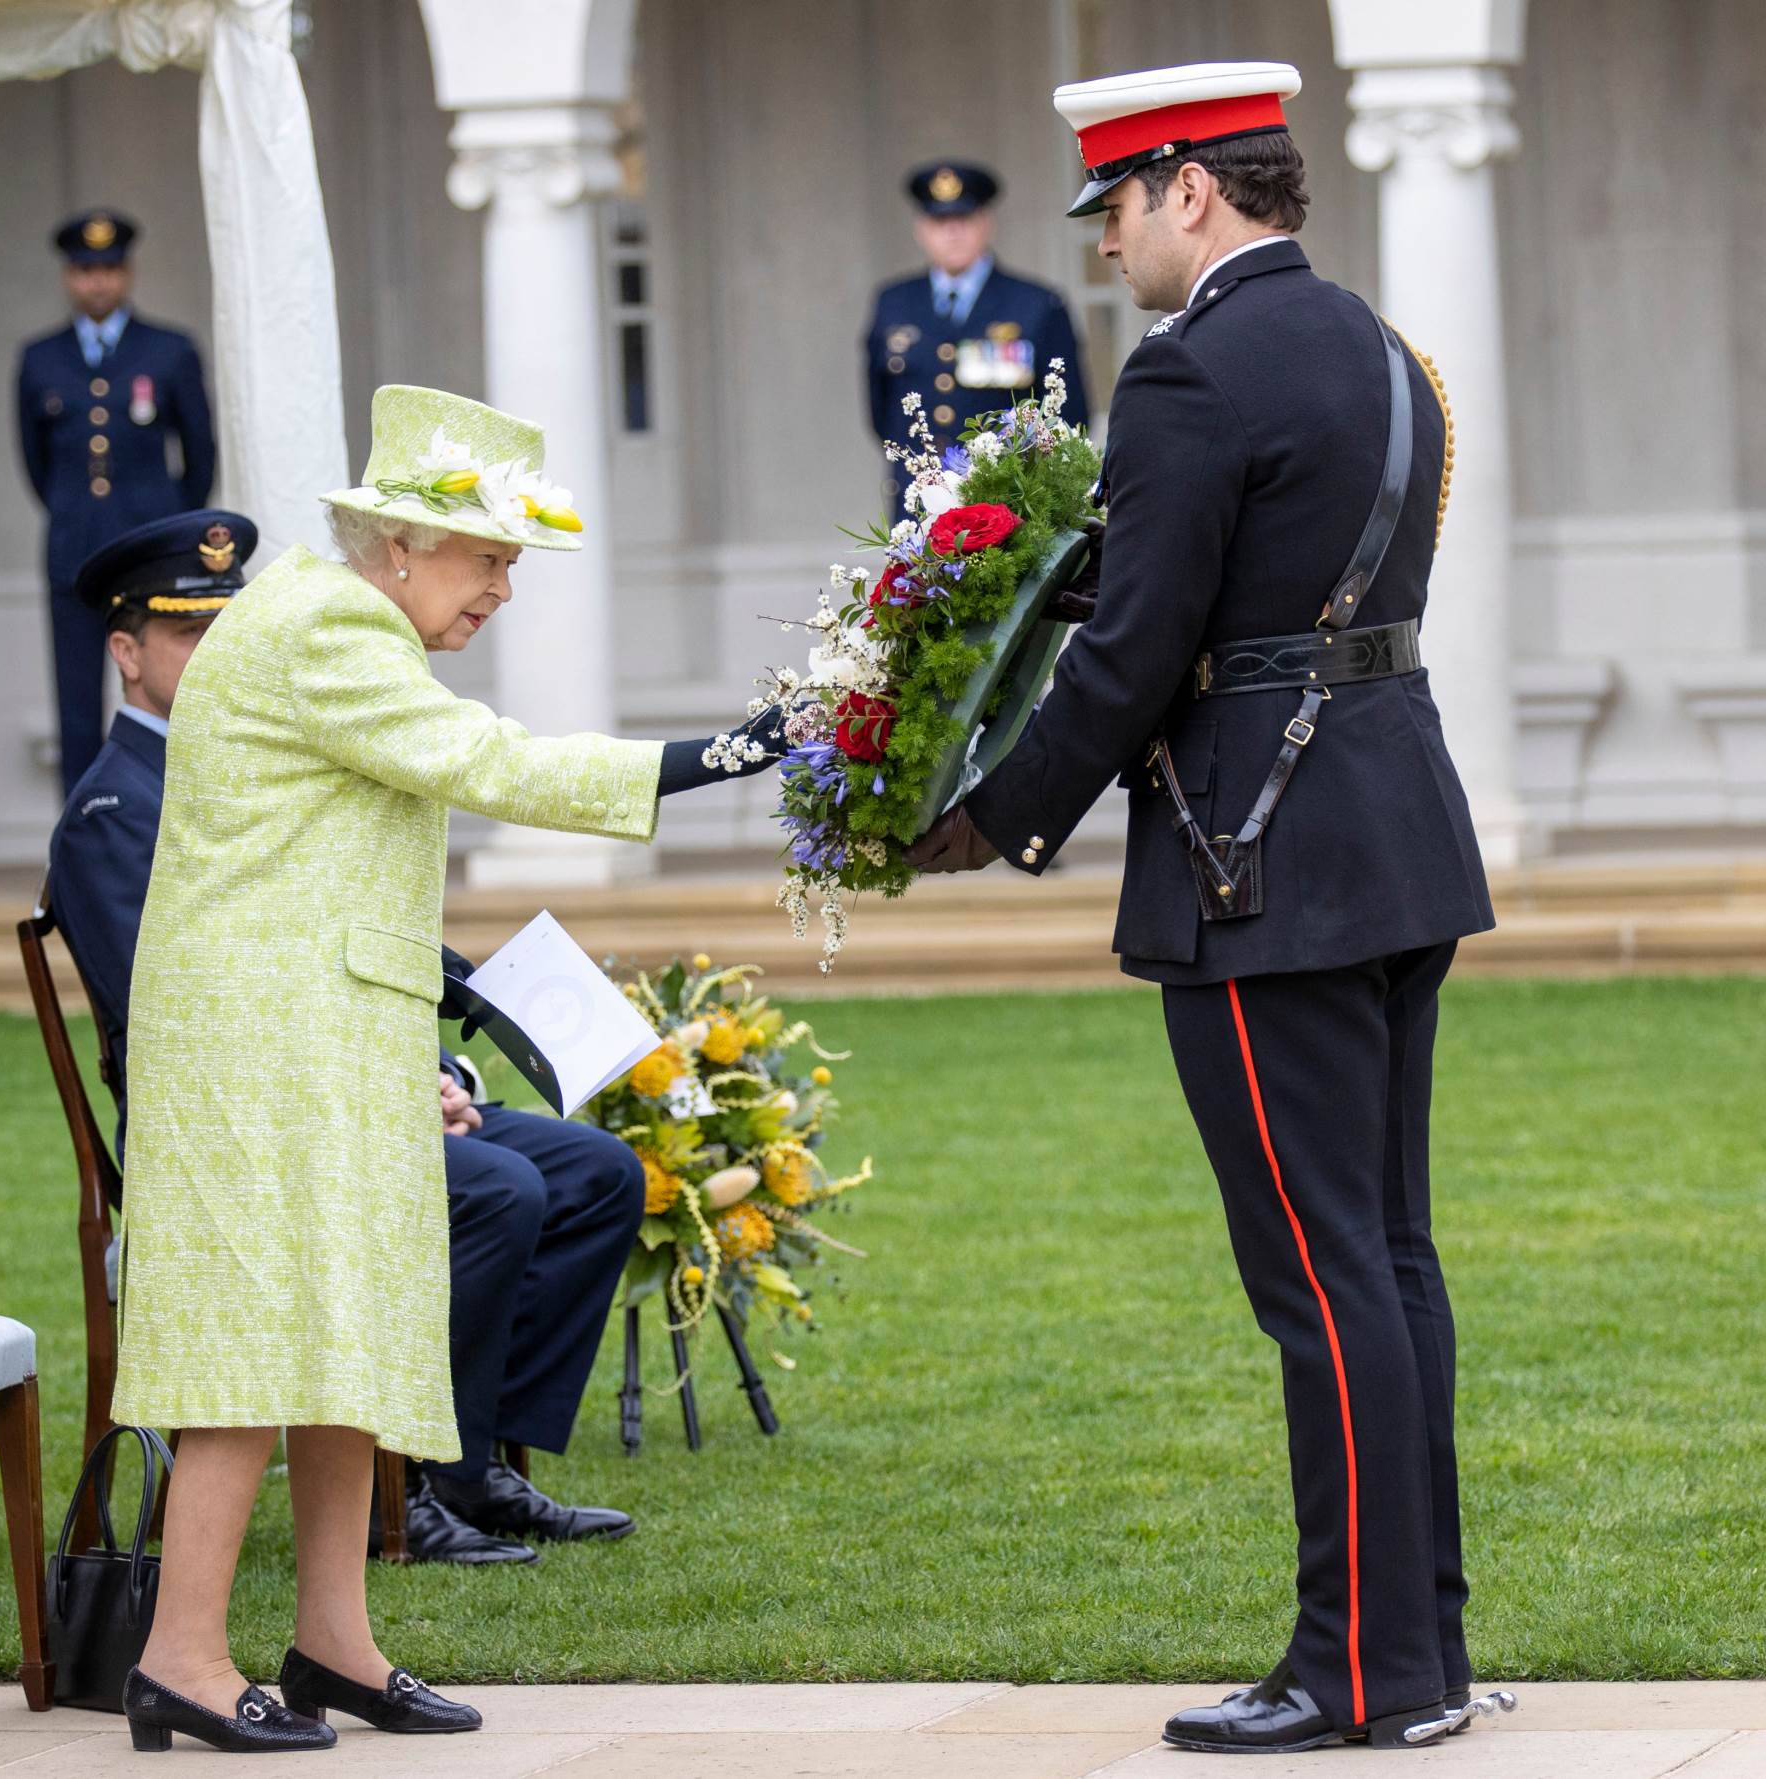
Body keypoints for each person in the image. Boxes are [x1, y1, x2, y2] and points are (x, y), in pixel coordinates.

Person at [908, 64, 1514, 1754]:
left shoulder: (1187, 374)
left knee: (1320, 1280)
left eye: (1114, 205)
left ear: (1190, 188)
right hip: (1391, 825)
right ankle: (1424, 1650)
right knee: (1386, 1256)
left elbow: (1136, 649)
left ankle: (1360, 1671)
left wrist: (988, 812)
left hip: (1264, 858)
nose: (1104, 245)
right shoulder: (1386, 351)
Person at [112, 386, 781, 1754]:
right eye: (489, 559)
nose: (504, 590)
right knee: (256, 1337)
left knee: (353, 1326)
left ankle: (333, 1642)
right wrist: (732, 751)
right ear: (403, 544)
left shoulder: (324, 616)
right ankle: (179, 1655)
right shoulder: (334, 626)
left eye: (512, 564)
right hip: (263, 1038)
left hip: (312, 1026)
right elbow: (495, 761)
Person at [48, 508, 645, 1571]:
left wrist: (441, 1066)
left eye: (225, 625)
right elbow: (183, 999)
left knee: (596, 1170)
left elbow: (333, 920)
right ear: (126, 651)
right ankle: (412, 1484)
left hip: (351, 1068)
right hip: (243, 1115)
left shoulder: (280, 735)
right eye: (189, 634)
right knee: (501, 1191)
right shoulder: (113, 808)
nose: (221, 648)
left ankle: (471, 1463)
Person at [15, 210, 216, 794]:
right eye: (84, 270)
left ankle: (173, 817)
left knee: (168, 686)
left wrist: (171, 527)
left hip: (152, 554)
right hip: (74, 551)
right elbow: (35, 462)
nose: (97, 281)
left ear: (127, 273)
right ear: (68, 277)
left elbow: (199, 455)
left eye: (108, 269)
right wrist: (75, 513)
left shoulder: (170, 350)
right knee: (76, 703)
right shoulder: (40, 358)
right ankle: (82, 838)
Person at [863, 161, 1088, 500]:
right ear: (920, 229)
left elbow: (1067, 414)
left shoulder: (1037, 304)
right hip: (918, 503)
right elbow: (881, 411)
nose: (952, 232)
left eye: (964, 220)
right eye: (939, 221)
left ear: (986, 223)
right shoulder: (892, 303)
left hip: (1007, 504)